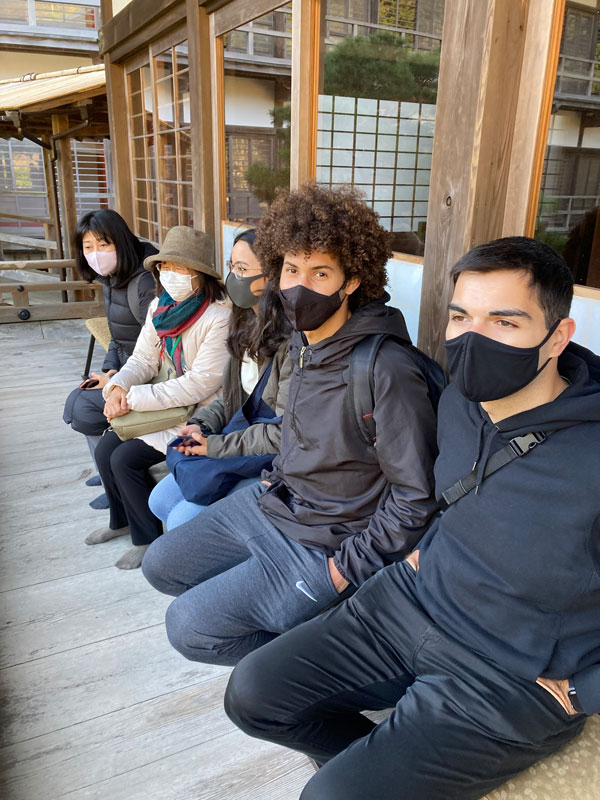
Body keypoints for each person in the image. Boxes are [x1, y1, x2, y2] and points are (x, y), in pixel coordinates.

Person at [224, 236, 600, 800]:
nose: (473, 338)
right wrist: (426, 548)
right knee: (252, 693)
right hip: (411, 599)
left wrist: (586, 688)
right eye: (460, 317)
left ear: (557, 337)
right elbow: (446, 493)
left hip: (510, 672)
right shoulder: (459, 401)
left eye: (504, 322)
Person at [142, 183, 439, 665]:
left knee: (189, 629)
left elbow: (415, 496)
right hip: (275, 502)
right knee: (161, 565)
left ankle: (309, 661)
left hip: (328, 542)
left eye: (321, 272)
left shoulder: (385, 368)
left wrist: (343, 571)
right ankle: (283, 616)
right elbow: (286, 432)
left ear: (352, 281)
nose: (302, 285)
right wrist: (216, 447)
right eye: (292, 268)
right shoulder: (302, 345)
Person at [85, 226, 231, 570]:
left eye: (182, 269)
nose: (171, 275)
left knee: (124, 460)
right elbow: (142, 360)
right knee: (107, 449)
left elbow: (200, 385)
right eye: (166, 267)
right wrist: (118, 387)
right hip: (159, 404)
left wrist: (133, 399)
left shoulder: (219, 316)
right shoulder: (160, 307)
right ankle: (120, 521)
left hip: (198, 415)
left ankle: (148, 538)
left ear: (202, 276)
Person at [148, 228, 292, 530]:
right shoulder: (244, 321)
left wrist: (214, 445)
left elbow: (283, 433)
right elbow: (231, 400)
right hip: (235, 440)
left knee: (180, 521)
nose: (232, 278)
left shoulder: (291, 342)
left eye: (242, 269)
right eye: (231, 267)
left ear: (270, 278)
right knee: (158, 501)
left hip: (270, 460)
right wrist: (202, 426)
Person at [63, 210, 158, 503]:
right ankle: (108, 476)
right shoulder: (112, 276)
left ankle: (114, 484)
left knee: (86, 409)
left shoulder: (143, 282)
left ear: (121, 241)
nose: (96, 254)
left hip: (150, 374)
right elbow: (117, 338)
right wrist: (107, 372)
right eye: (88, 247)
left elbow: (156, 346)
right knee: (76, 401)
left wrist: (119, 378)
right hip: (126, 370)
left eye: (103, 244)